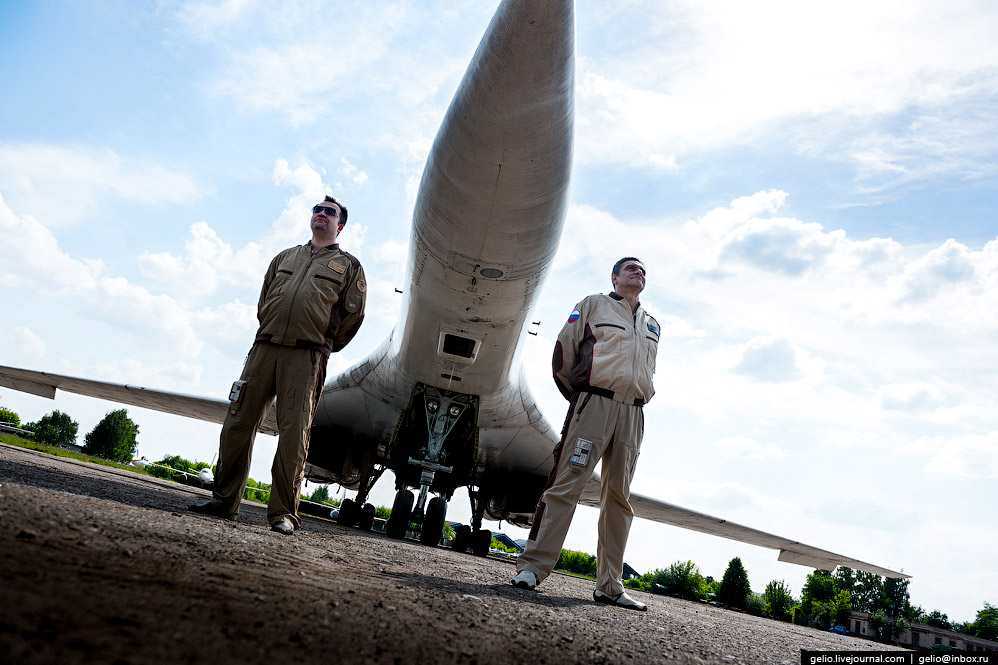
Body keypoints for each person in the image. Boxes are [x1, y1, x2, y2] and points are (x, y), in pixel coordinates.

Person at [190, 196, 366, 535]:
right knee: (237, 422)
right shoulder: (285, 258)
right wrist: (272, 328)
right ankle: (223, 502)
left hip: (306, 356)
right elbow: (265, 300)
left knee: (293, 434)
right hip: (264, 348)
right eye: (318, 209)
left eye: (330, 212)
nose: (322, 214)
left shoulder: (349, 267)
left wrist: (321, 341)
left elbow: (352, 317)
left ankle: (283, 513)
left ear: (339, 225)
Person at [511, 257, 659, 611]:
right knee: (567, 485)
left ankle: (610, 584)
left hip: (633, 413)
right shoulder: (592, 305)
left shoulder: (652, 324)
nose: (639, 272)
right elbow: (564, 353)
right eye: (631, 268)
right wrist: (581, 399)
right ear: (614, 277)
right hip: (593, 405)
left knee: (619, 498)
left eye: (643, 271)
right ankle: (532, 568)